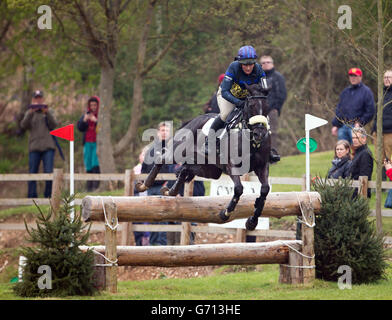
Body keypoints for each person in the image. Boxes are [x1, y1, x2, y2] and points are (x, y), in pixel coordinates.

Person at [204, 45, 280, 163]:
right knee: (225, 115)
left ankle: (269, 149)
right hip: (228, 95)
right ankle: (210, 141)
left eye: (251, 64)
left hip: (248, 98)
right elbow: (224, 91)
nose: (248, 67)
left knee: (264, 118)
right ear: (240, 63)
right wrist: (238, 103)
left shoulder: (259, 69)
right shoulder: (233, 68)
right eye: (245, 64)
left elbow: (264, 90)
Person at [141, 121, 175, 245]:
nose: (164, 133)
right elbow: (144, 169)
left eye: (166, 130)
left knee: (163, 216)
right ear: (158, 133)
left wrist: (169, 184)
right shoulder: (151, 150)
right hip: (151, 188)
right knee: (153, 215)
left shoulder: (173, 149)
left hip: (165, 187)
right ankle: (153, 243)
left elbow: (175, 169)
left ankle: (162, 244)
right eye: (162, 130)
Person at [20, 90, 58, 198]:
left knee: (49, 172)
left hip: (48, 147)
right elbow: (23, 126)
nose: (38, 100)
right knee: (32, 173)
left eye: (40, 98)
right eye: (36, 98)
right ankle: (32, 198)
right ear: (33, 100)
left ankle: (49, 196)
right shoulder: (29, 112)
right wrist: (31, 113)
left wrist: (47, 113)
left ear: (43, 99)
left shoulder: (49, 111)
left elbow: (54, 124)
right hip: (34, 147)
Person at [331, 68, 375, 144]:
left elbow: (370, 111)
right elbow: (339, 109)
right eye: (351, 76)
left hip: (357, 127)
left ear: (360, 77)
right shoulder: (345, 92)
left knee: (357, 150)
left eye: (355, 76)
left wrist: (359, 123)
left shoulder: (366, 92)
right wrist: (336, 125)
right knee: (342, 150)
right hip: (343, 127)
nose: (353, 78)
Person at [259, 55, 287, 155]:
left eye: (268, 62)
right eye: (263, 63)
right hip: (258, 111)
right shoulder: (258, 78)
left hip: (272, 110)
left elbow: (282, 94)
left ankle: (273, 154)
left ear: (272, 63)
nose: (266, 64)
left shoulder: (278, 77)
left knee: (272, 133)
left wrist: (276, 108)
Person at [77, 96, 101, 191]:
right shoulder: (86, 115)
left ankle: (96, 185)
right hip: (87, 142)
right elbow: (79, 128)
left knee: (95, 163)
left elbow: (103, 128)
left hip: (96, 142)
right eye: (91, 105)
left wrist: (96, 121)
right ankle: (89, 186)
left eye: (95, 105)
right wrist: (84, 120)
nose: (93, 107)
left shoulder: (100, 115)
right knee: (88, 164)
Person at [371, 70, 392, 164]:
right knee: (379, 159)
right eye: (385, 77)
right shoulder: (381, 93)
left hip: (389, 132)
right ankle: (381, 178)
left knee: (388, 159)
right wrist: (373, 129)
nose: (387, 79)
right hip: (378, 132)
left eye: (389, 77)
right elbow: (376, 113)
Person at [133, 146, 150, 246]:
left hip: (148, 199)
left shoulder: (153, 169)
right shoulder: (136, 169)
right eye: (143, 154)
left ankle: (148, 244)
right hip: (138, 200)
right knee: (138, 225)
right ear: (140, 156)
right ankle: (139, 244)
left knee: (148, 225)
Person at [349, 127, 373, 198]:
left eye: (357, 137)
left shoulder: (365, 154)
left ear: (364, 138)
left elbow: (364, 177)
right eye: (353, 138)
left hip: (360, 194)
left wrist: (357, 196)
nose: (354, 140)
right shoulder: (358, 152)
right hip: (353, 192)